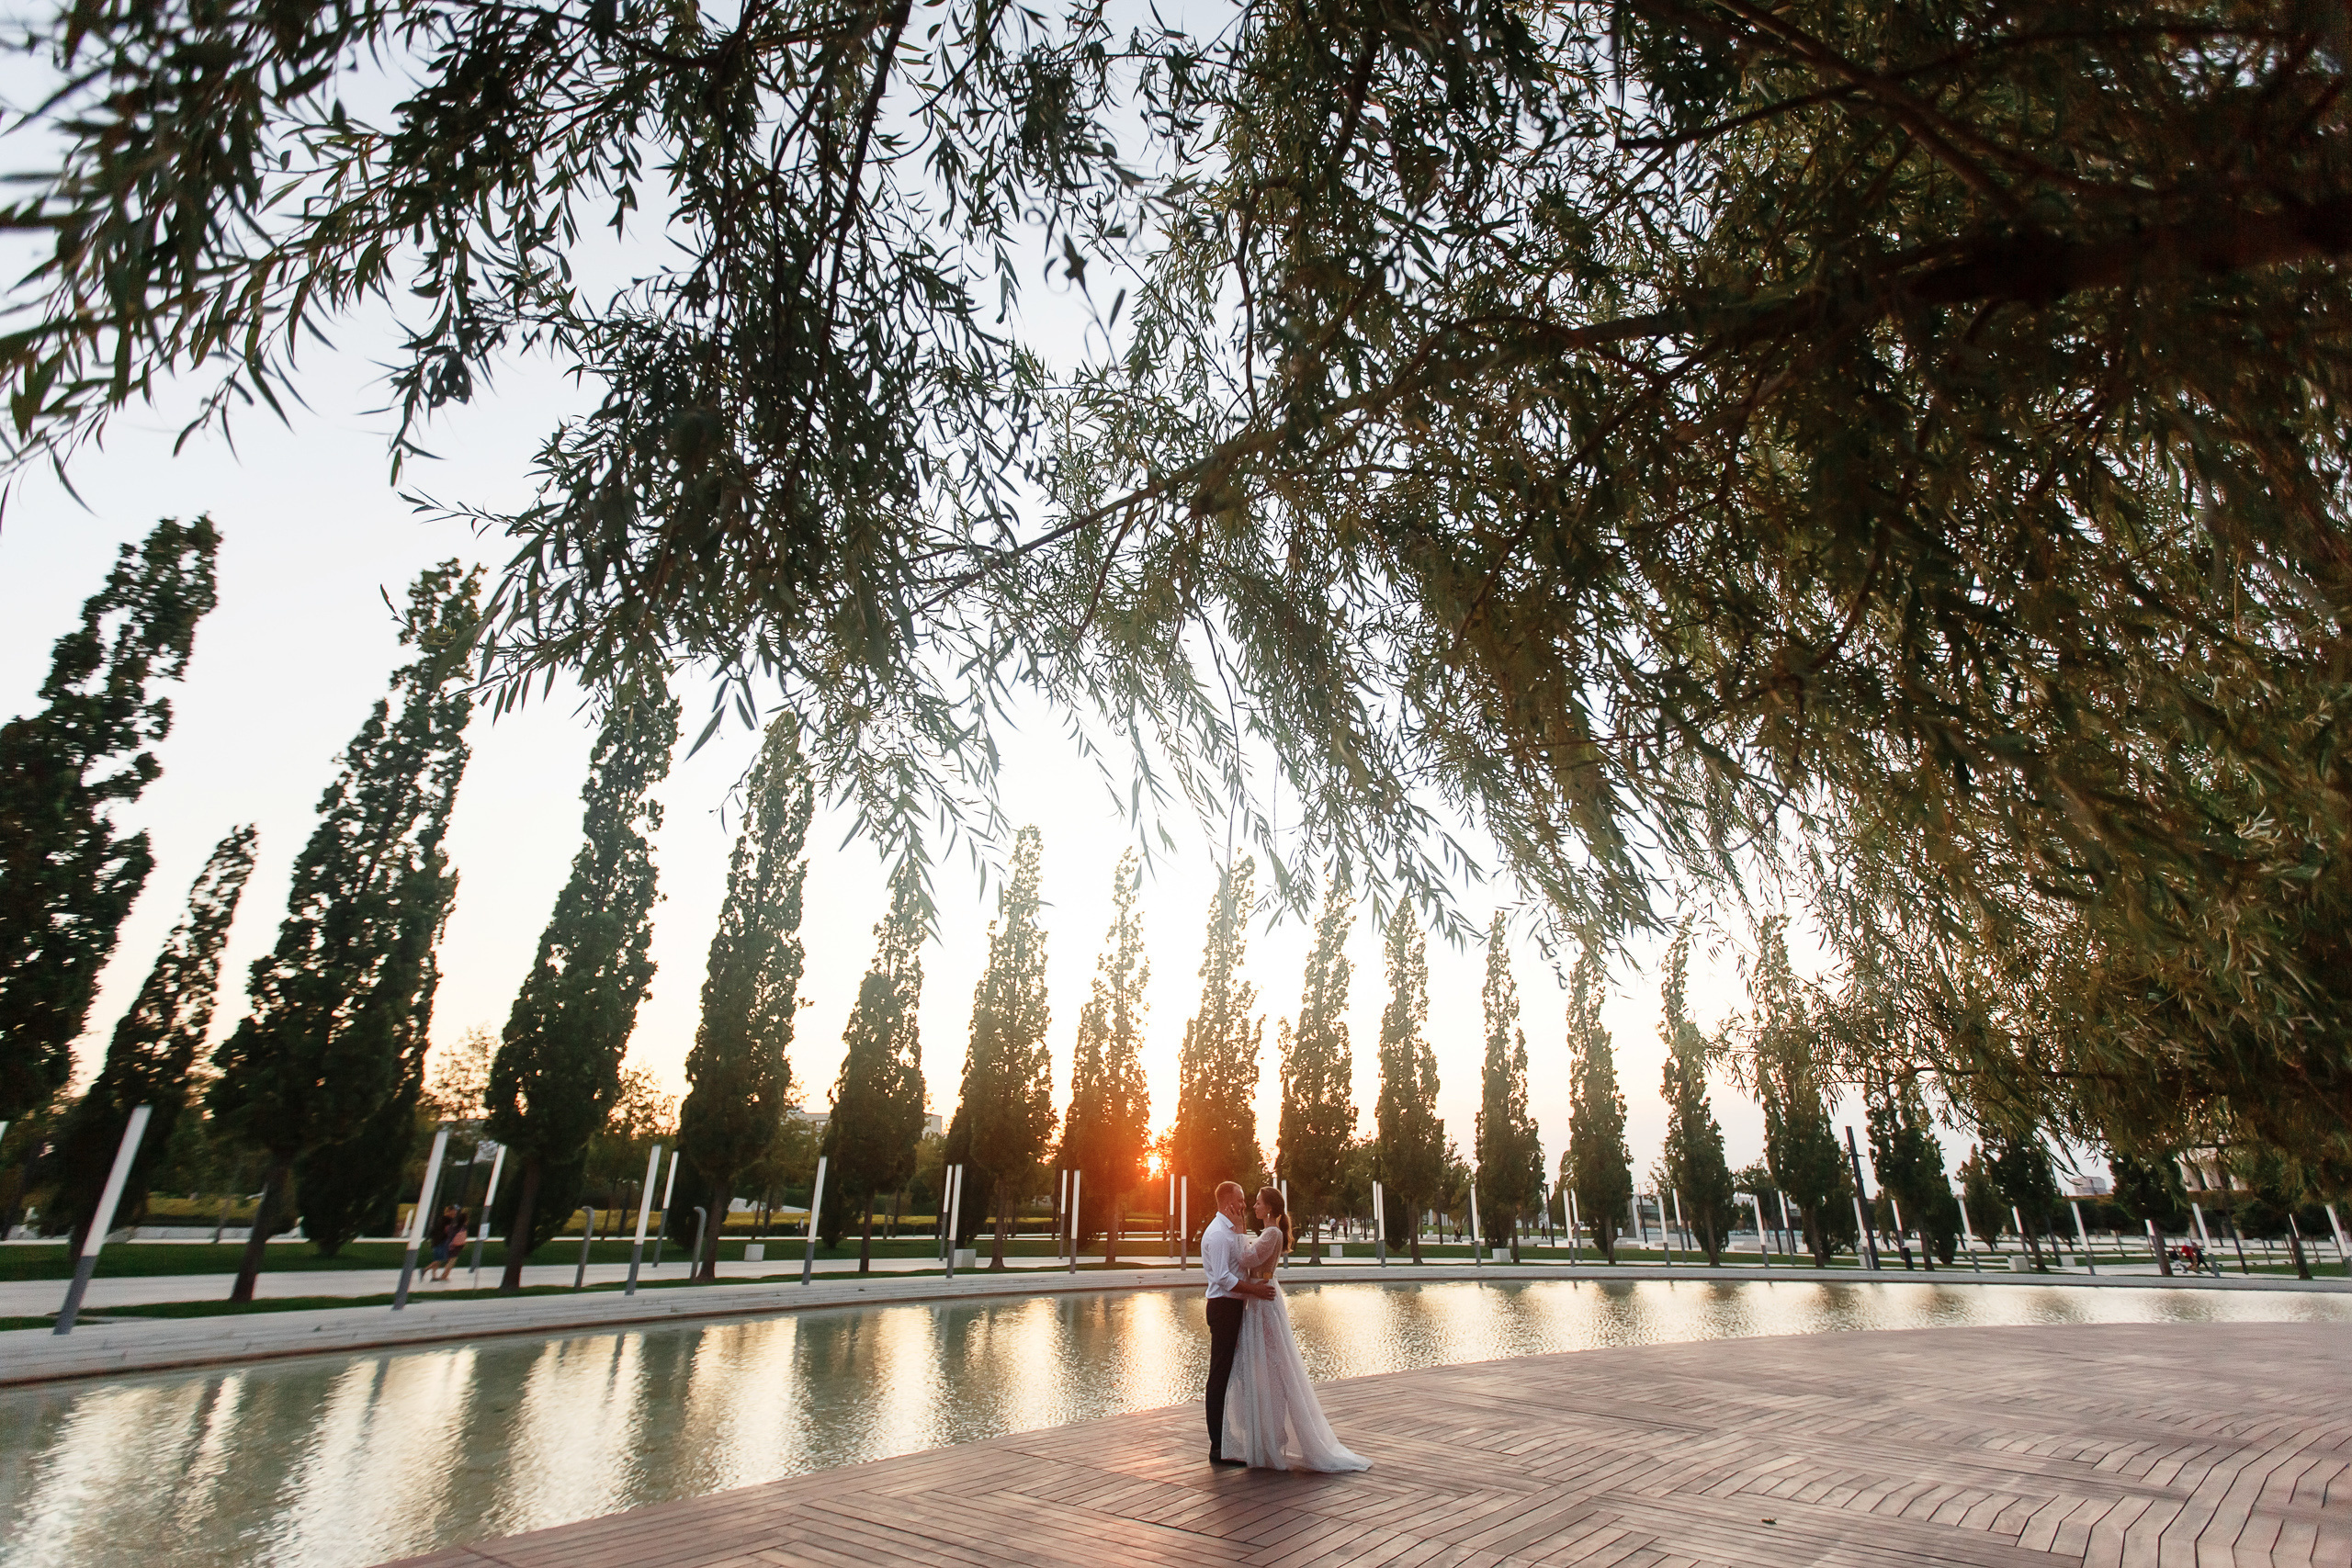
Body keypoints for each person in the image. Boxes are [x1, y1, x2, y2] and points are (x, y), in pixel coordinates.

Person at [1220, 1186, 1372, 1472]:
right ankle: (1265, 1438)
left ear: (1270, 1208)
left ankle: (1273, 1438)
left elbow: (1246, 1260)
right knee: (1261, 1366)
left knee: (1271, 1365)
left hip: (1263, 1300)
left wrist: (1239, 1231)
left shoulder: (1272, 1233)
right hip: (1259, 1296)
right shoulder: (1268, 1233)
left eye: (1258, 1203)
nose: (1254, 1207)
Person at [1201, 1179, 1276, 1466]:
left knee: (1240, 1373)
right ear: (1227, 1202)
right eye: (1241, 1199)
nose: (1244, 1205)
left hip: (1234, 1307)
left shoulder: (1231, 1230)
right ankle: (1218, 1446)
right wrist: (1255, 1290)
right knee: (1220, 1375)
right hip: (1223, 1308)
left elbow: (1243, 1262)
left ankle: (1246, 1437)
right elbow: (1223, 1277)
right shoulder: (1219, 1234)